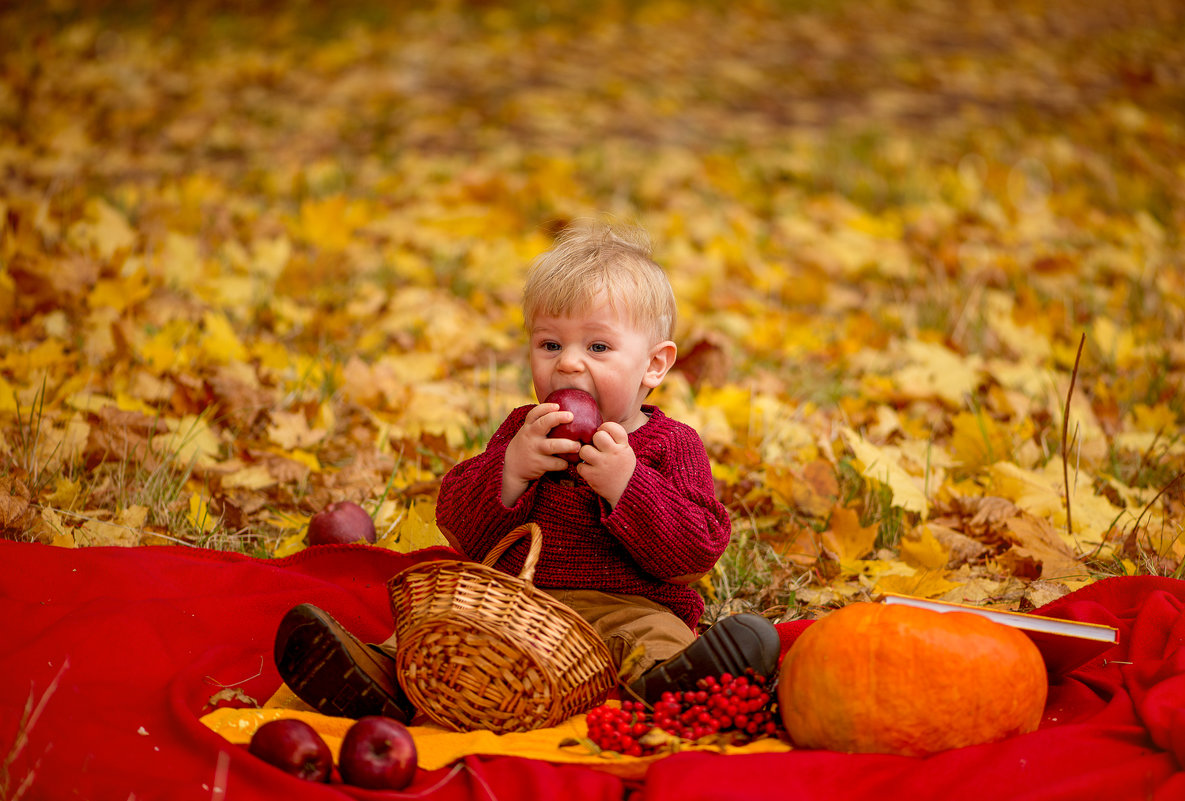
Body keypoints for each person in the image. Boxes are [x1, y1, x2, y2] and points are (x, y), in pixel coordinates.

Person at [274, 220, 779, 723]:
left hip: (621, 611)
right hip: (514, 605)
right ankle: (382, 675)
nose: (568, 365)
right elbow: (459, 526)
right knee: (444, 616)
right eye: (550, 345)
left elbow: (697, 551)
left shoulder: (672, 444)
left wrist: (629, 486)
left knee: (656, 637)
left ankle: (672, 688)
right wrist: (511, 471)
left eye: (597, 347)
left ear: (654, 365)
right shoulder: (525, 430)